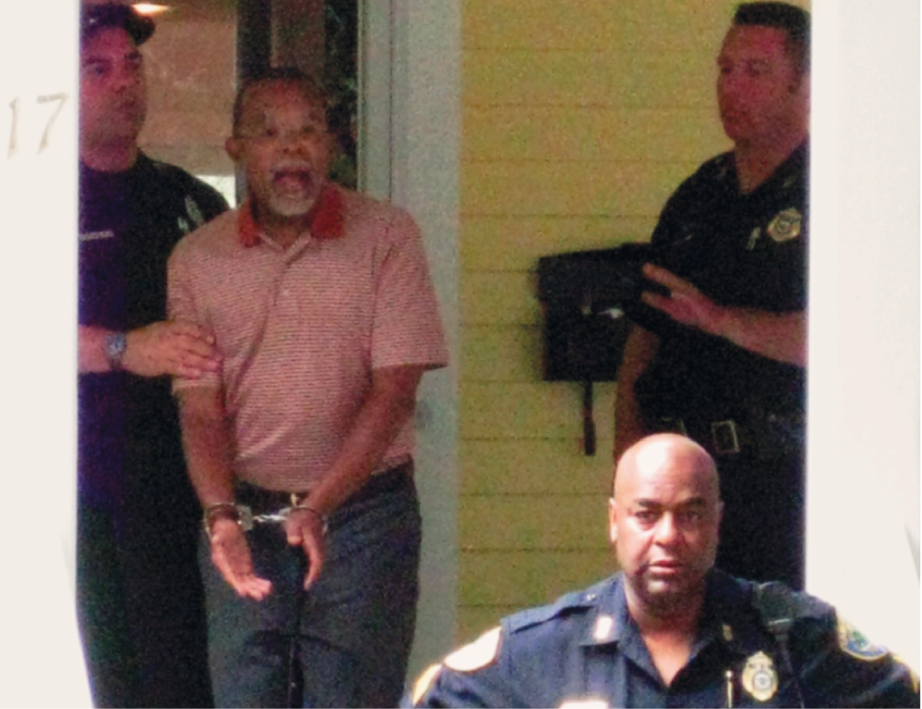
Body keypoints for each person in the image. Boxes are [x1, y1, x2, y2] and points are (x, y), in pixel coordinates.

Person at [168, 67, 448, 709]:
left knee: (351, 698)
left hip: (363, 518)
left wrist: (319, 505)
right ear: (235, 150)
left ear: (332, 145)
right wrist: (219, 517)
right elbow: (201, 412)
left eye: (307, 132)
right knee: (243, 698)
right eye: (269, 133)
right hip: (246, 515)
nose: (291, 149)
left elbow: (395, 392)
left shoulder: (388, 237)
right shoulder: (197, 259)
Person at [406, 434, 919, 709]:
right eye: (646, 514)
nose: (668, 535)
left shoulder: (793, 637)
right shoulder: (540, 652)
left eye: (690, 514)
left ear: (717, 524)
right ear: (614, 522)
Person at [613, 2, 809, 590]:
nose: (732, 87)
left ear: (806, 85)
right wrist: (628, 475)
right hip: (683, 487)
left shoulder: (839, 190)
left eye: (755, 71)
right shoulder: (699, 194)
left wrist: (721, 320)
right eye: (725, 70)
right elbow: (642, 345)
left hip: (783, 489)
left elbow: (848, 340)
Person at [77, 3, 229, 708]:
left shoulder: (189, 200)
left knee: (181, 682)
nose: (123, 83)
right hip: (77, 496)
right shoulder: (37, 202)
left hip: (182, 493)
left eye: (132, 64)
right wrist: (120, 347)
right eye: (98, 68)